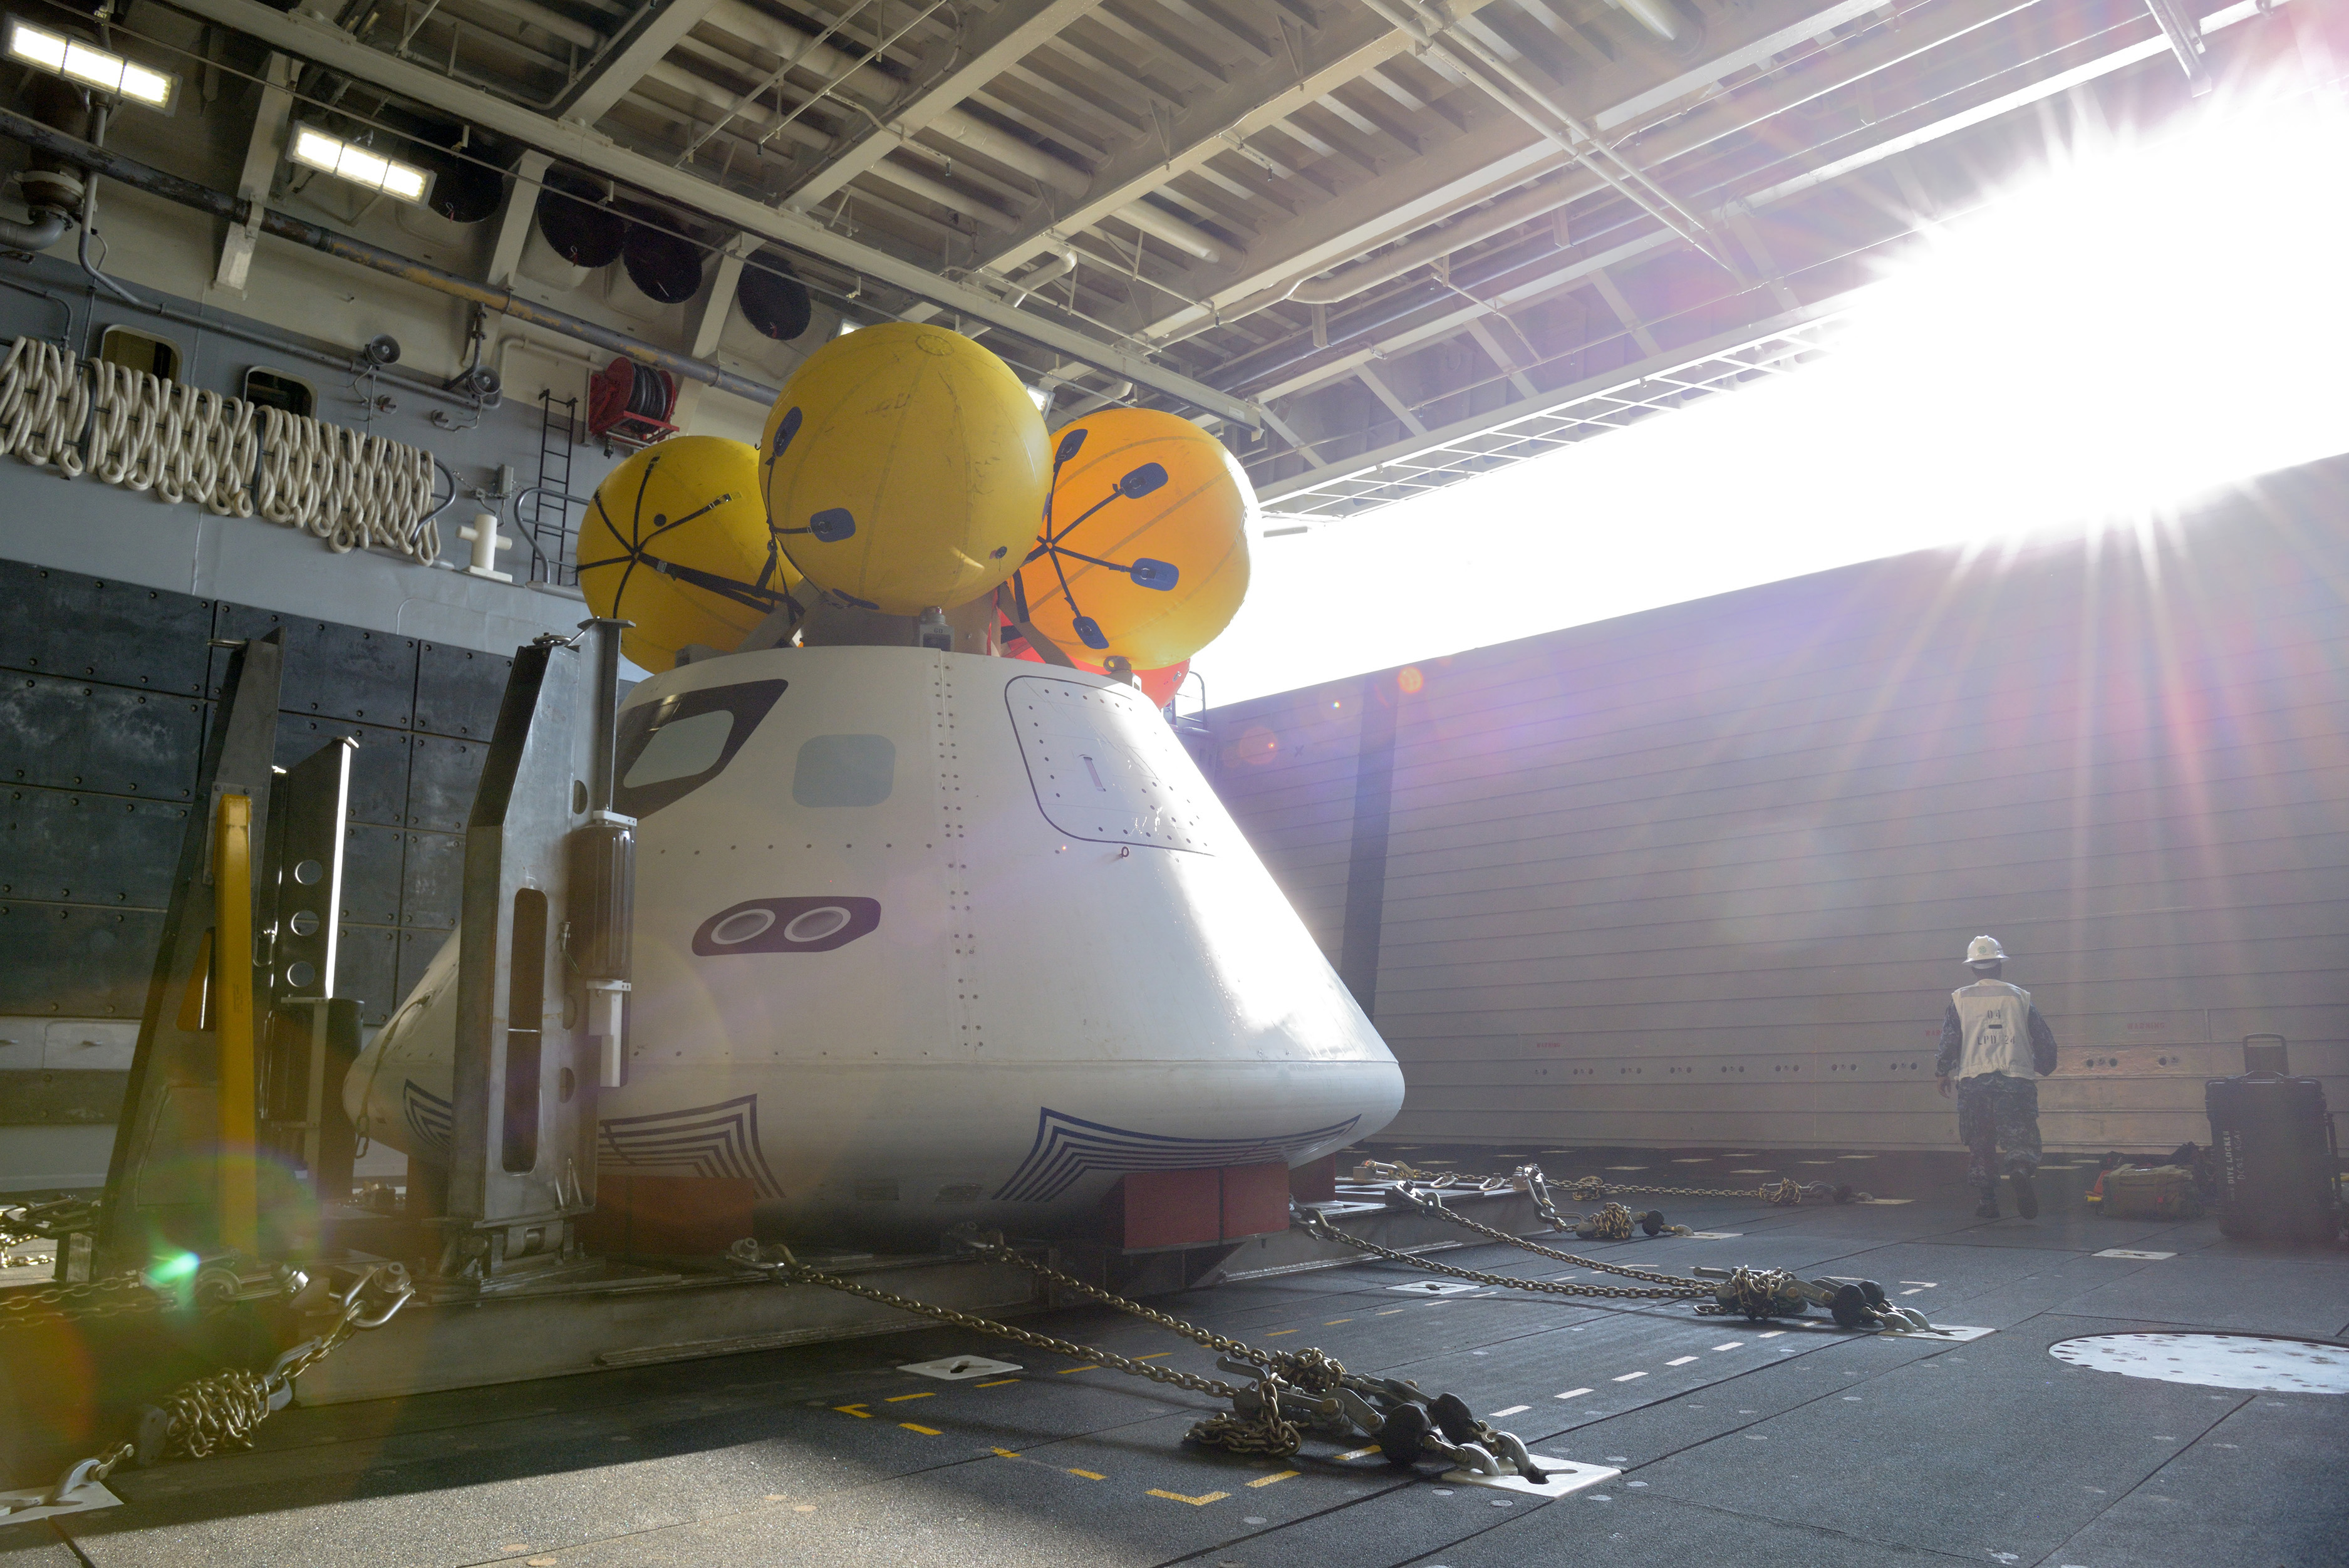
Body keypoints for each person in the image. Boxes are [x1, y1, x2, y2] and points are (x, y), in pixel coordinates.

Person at [1935, 935, 2058, 1218]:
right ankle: (2019, 1169)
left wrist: (1942, 1071)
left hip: (1974, 1081)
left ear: (1973, 968)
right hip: (2015, 1079)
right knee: (2021, 1135)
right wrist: (2044, 1065)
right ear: (2000, 965)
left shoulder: (1960, 999)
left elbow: (1949, 1041)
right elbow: (2044, 1041)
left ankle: (1988, 1201)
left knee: (1980, 1141)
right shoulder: (2020, 998)